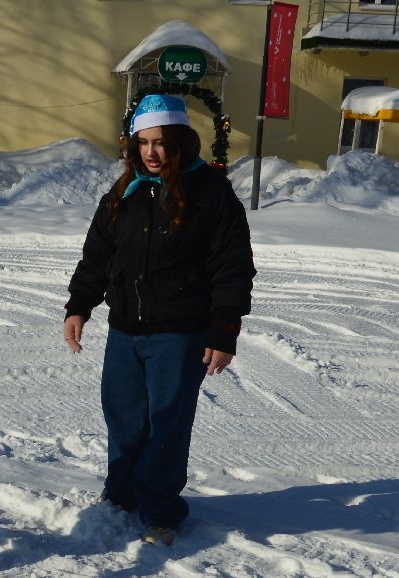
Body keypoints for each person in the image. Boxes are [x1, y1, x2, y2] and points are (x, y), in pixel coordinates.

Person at [64, 93, 257, 546]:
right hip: (125, 329)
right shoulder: (123, 192)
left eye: (161, 142)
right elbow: (97, 257)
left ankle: (161, 512)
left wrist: (224, 329)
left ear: (181, 142)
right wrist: (78, 306)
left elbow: (233, 266)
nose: (152, 152)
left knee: (167, 422)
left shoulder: (209, 192)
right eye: (143, 143)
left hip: (180, 332)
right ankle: (122, 495)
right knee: (124, 417)